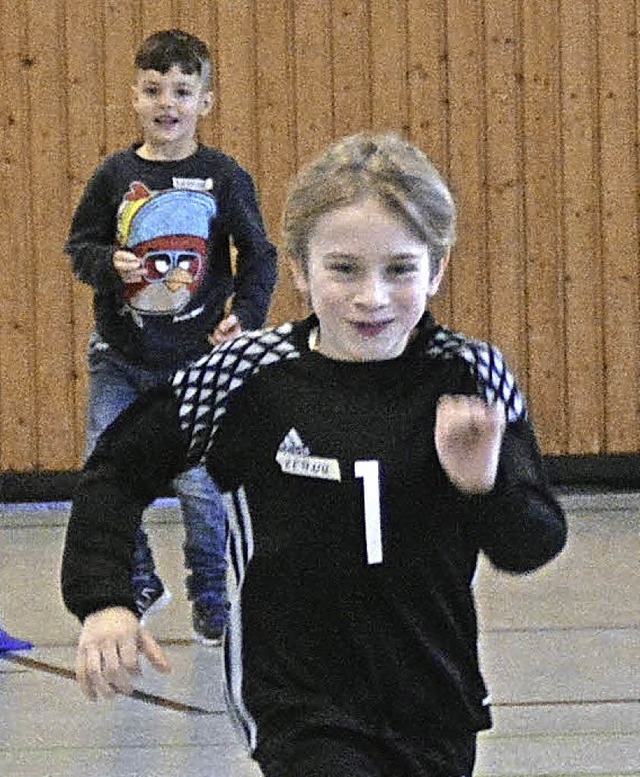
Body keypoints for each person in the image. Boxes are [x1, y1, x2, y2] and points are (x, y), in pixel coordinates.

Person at [62, 132, 567, 776]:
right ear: (300, 269)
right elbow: (117, 469)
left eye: (400, 269)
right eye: (344, 268)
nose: (371, 297)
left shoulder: (470, 375)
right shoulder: (245, 376)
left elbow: (532, 543)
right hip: (298, 701)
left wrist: (485, 484)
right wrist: (106, 599)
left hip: (432, 699)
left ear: (437, 268)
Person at [65, 29, 278, 645]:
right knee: (103, 464)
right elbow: (79, 248)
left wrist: (249, 313)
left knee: (201, 488)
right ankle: (137, 577)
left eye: (182, 91)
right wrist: (109, 262)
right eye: (154, 90)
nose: (168, 103)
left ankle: (211, 593)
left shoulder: (223, 177)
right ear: (134, 98)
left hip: (195, 366)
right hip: (120, 357)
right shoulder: (115, 176)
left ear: (204, 104)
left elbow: (258, 255)